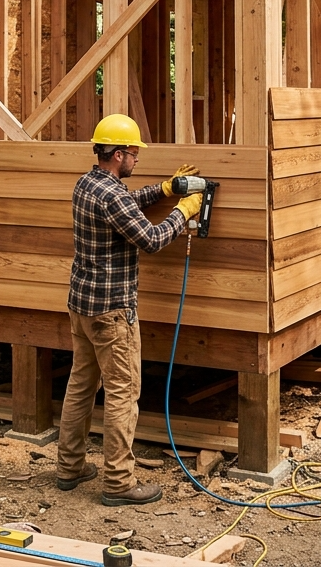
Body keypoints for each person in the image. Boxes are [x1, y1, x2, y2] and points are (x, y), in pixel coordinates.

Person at [56, 114, 203, 506]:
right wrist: (184, 210)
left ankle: (69, 467)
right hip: (112, 312)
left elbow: (125, 204)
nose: (136, 160)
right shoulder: (112, 195)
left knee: (81, 386)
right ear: (118, 154)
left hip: (81, 306)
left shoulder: (87, 184)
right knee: (123, 393)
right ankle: (119, 483)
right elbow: (151, 239)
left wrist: (165, 189)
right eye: (134, 154)